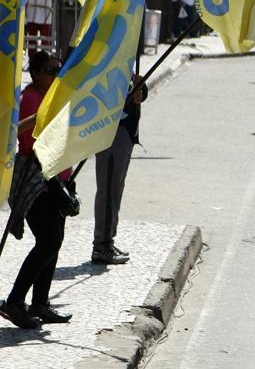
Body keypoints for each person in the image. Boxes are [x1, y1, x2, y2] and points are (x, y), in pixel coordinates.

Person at [0, 51, 74, 328]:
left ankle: (40, 303)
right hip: (38, 181)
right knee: (48, 240)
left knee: (54, 241)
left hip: (58, 180)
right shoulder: (30, 98)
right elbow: (25, 137)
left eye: (58, 69)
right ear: (36, 73)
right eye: (50, 70)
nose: (55, 74)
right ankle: (15, 301)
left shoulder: (55, 95)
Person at [92, 73, 148, 265]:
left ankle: (108, 240)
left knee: (116, 188)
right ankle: (101, 245)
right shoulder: (109, 55)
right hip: (110, 130)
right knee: (108, 190)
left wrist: (141, 89)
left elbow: (136, 88)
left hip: (125, 132)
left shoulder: (127, 55)